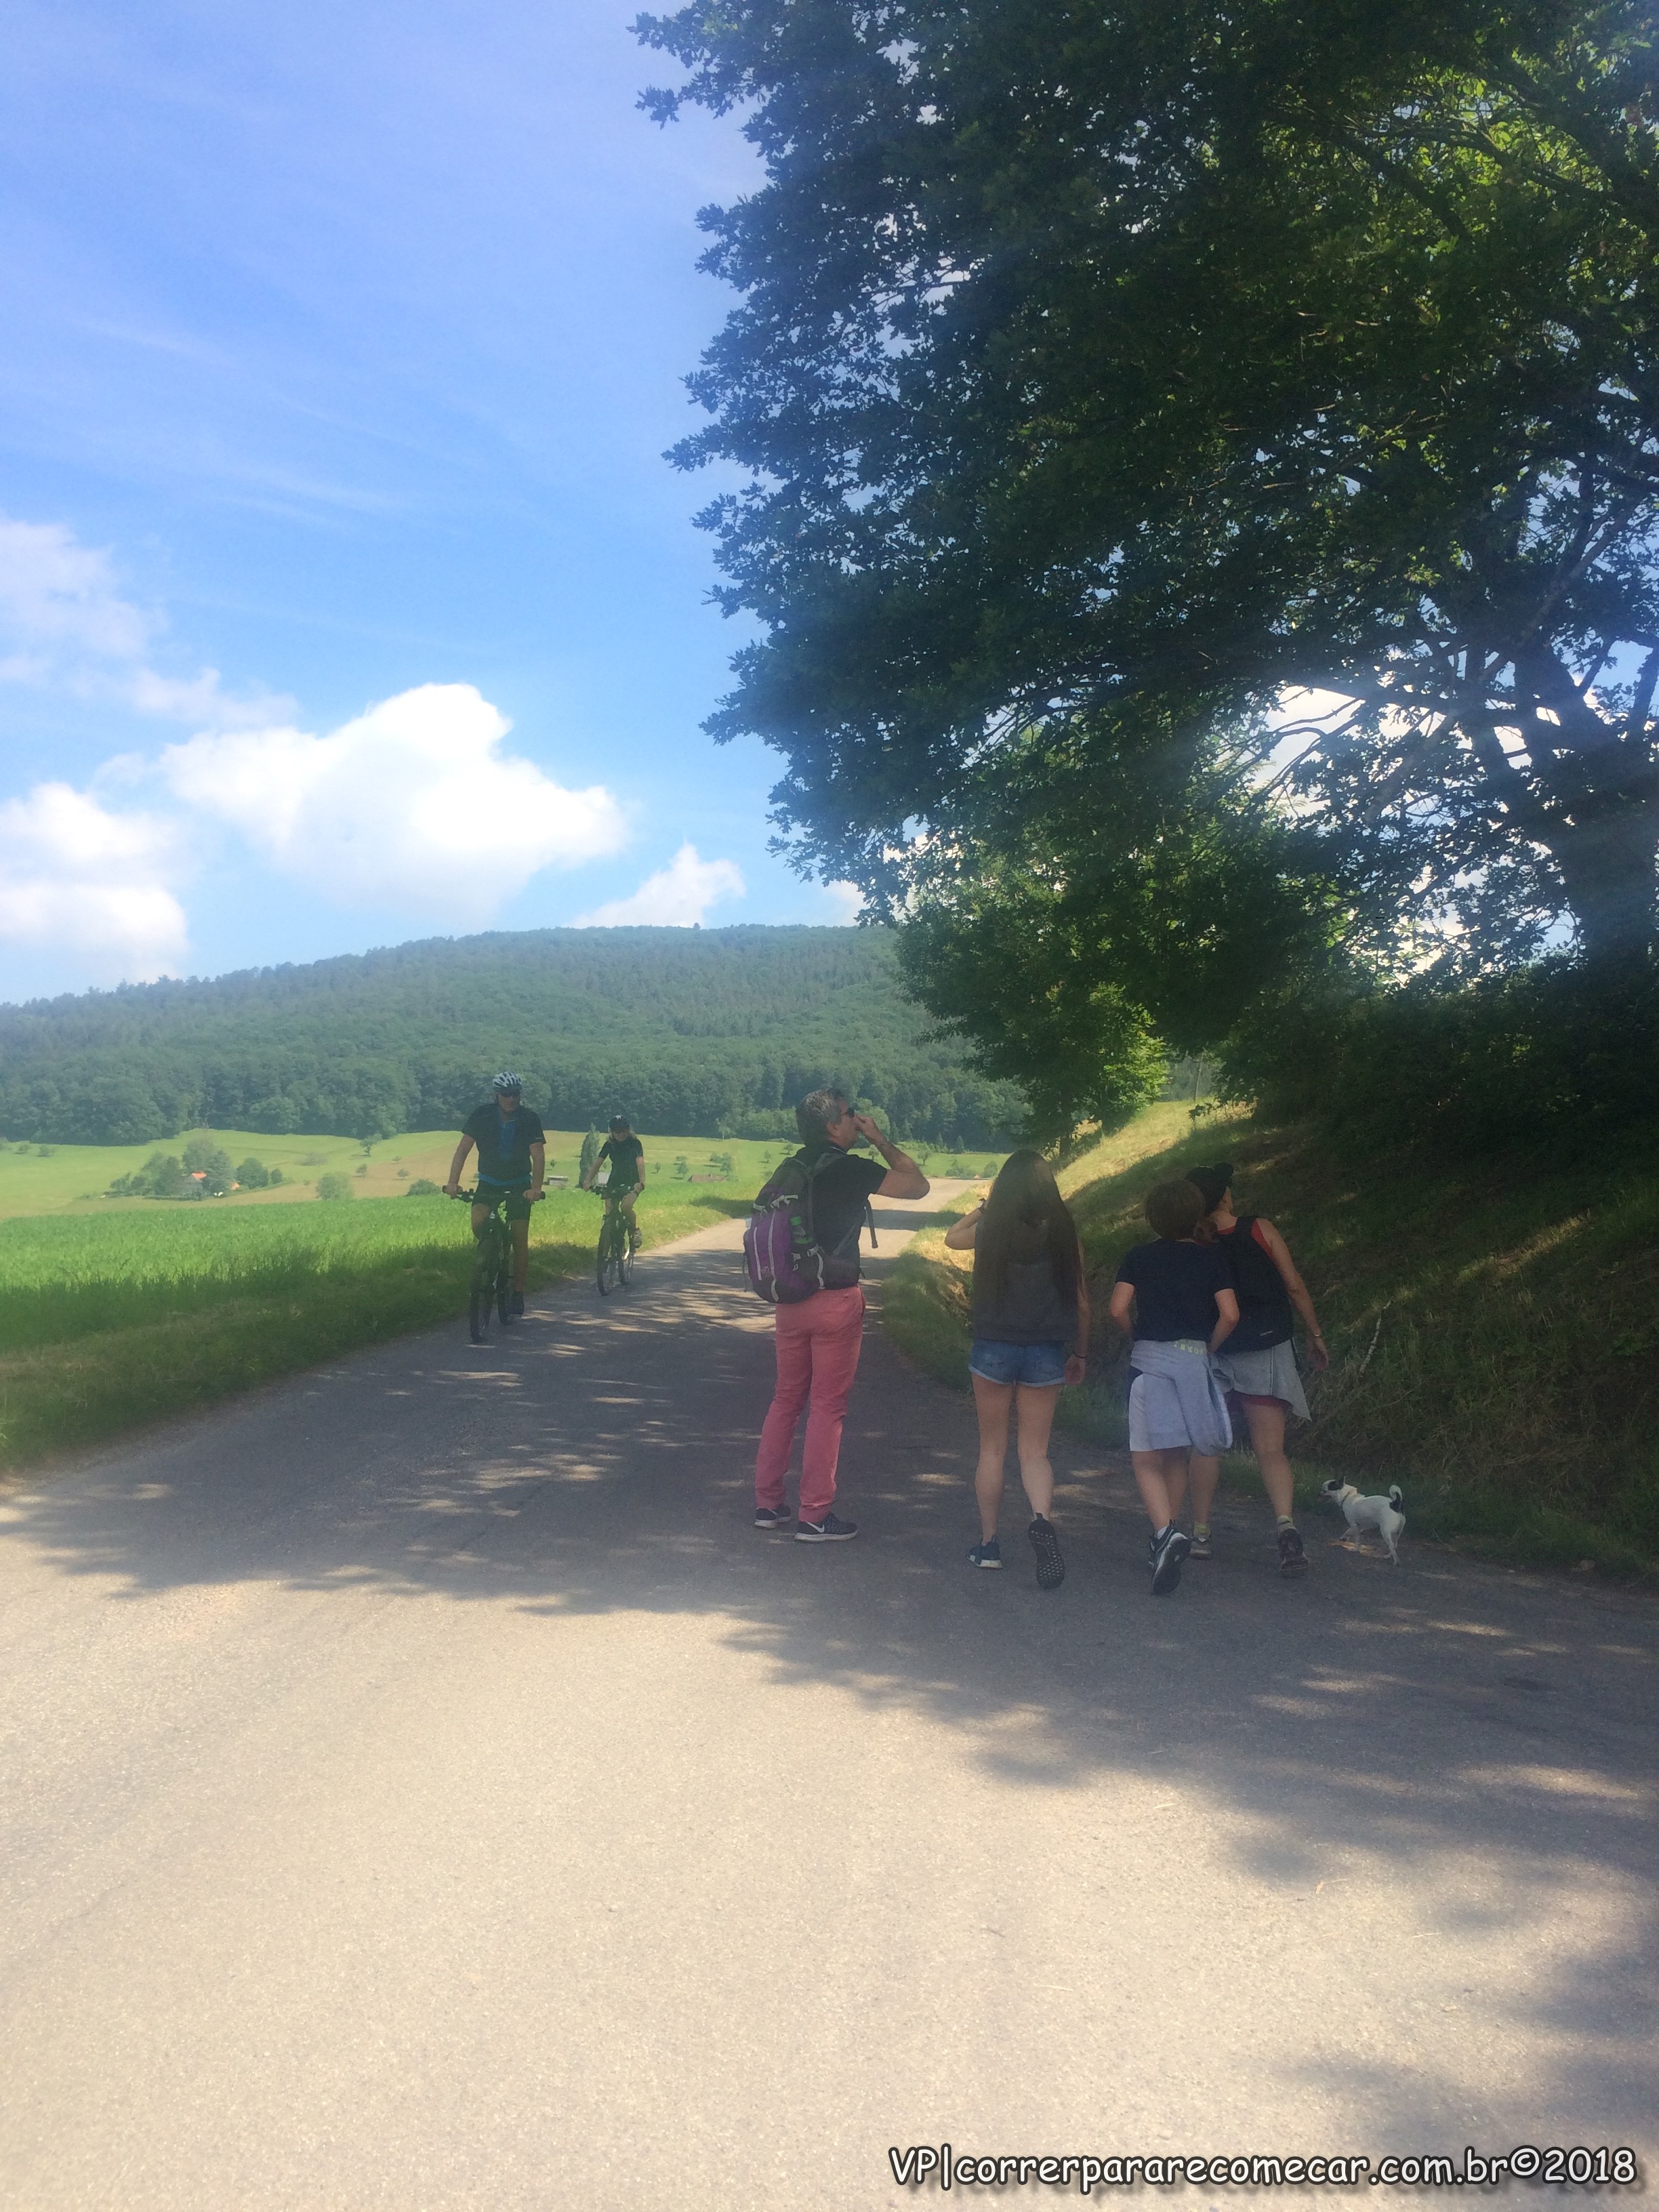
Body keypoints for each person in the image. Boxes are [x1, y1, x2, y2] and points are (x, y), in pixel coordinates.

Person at [754, 1090, 929, 1542]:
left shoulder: (790, 1168)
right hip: (836, 1300)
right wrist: (880, 1140)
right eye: (851, 1116)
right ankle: (815, 1514)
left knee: (786, 1399)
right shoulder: (850, 1167)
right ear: (834, 1126)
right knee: (827, 1408)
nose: (857, 1121)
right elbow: (918, 1186)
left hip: (789, 1300)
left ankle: (768, 1505)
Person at [943, 1151, 1088, 1589]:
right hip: (1044, 1351)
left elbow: (952, 1237)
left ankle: (989, 1545)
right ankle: (1041, 1518)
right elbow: (1082, 1300)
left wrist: (985, 1207)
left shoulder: (991, 1230)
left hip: (993, 1348)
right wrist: (1081, 1353)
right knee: (1035, 1453)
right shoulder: (1064, 1233)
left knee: (992, 1450)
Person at [1176, 1161, 1329, 1576]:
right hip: (1267, 1347)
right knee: (1270, 1449)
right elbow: (1293, 1284)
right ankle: (1286, 1529)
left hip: (1215, 1349)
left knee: (1207, 1445)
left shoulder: (1194, 1241)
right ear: (1226, 1195)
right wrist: (1315, 1334)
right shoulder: (1259, 1228)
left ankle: (1202, 1533)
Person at [1107, 1179, 1239, 1595]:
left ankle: (1164, 1533)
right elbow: (1230, 1314)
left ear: (1153, 1216)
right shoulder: (1211, 1258)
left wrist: (1134, 1335)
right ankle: (1171, 1532)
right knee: (1177, 1455)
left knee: (1146, 1459)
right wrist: (1206, 1348)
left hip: (1149, 1366)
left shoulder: (1139, 1257)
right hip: (1193, 1366)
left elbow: (1117, 1309)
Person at [444, 1072, 546, 1316]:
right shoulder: (482, 1115)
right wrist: (453, 1183)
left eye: (516, 1094)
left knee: (520, 1239)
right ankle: (489, 1257)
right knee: (479, 1225)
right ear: (496, 1095)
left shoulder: (530, 1118)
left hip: (520, 1184)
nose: (512, 1099)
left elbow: (538, 1156)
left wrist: (536, 1188)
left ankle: (518, 1292)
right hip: (489, 1182)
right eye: (507, 1095)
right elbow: (462, 1151)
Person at [583, 1115, 646, 1250]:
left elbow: (640, 1162)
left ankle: (635, 1231)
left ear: (629, 1130)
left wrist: (641, 1182)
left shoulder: (635, 1143)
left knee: (626, 1207)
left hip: (633, 1181)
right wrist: (588, 1181)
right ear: (611, 1132)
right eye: (617, 1131)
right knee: (610, 1211)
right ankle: (610, 1245)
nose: (621, 1134)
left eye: (624, 1130)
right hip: (615, 1180)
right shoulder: (609, 1145)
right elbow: (597, 1163)